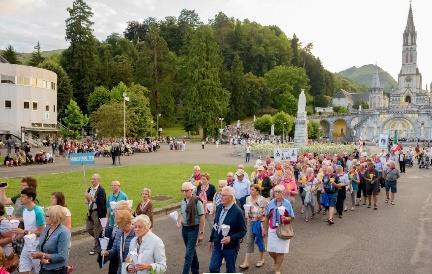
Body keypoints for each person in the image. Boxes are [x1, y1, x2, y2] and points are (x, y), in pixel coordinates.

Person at [209, 186, 247, 273]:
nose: (221, 197)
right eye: (221, 195)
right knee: (213, 268)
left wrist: (230, 238)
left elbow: (243, 231)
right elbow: (215, 225)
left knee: (230, 270)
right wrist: (211, 239)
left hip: (231, 247)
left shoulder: (238, 212)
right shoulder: (219, 207)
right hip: (218, 244)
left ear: (230, 197)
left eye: (224, 195)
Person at [13, 188, 45, 274]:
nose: (20, 199)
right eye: (21, 196)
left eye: (23, 197)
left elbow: (41, 232)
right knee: (23, 270)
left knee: (39, 271)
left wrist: (23, 232)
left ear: (30, 198)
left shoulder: (38, 211)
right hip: (26, 245)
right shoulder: (25, 210)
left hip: (36, 246)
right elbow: (27, 229)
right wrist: (15, 237)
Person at [264, 184, 295, 274]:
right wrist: (265, 229)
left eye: (279, 192)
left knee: (281, 251)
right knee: (271, 250)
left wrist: (286, 218)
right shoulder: (271, 203)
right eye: (275, 192)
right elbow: (266, 217)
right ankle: (277, 262)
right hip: (272, 229)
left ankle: (277, 269)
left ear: (283, 193)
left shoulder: (287, 203)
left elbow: (292, 217)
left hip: (284, 230)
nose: (277, 193)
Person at [31, 205, 70, 274]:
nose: (44, 217)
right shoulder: (47, 228)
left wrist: (42, 255)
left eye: (46, 216)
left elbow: (62, 256)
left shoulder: (63, 232)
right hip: (44, 268)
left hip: (56, 270)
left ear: (54, 217)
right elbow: (40, 245)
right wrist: (41, 258)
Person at [177, 182, 205, 274]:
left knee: (188, 255)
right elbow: (182, 214)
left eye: (186, 191)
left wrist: (201, 233)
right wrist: (179, 221)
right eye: (183, 191)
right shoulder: (183, 202)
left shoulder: (197, 201)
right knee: (191, 251)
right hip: (184, 229)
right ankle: (195, 271)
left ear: (191, 190)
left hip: (193, 229)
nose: (184, 193)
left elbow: (202, 217)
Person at [240, 184, 267, 270]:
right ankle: (246, 262)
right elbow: (246, 209)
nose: (251, 191)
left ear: (257, 191)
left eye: (252, 190)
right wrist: (246, 212)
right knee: (249, 241)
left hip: (259, 222)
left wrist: (259, 214)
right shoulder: (248, 198)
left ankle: (262, 259)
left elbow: (264, 211)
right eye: (250, 189)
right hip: (250, 221)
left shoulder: (262, 199)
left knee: (259, 240)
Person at [101, 210, 135, 274]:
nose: (121, 228)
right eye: (119, 226)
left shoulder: (136, 233)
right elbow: (114, 249)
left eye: (123, 226)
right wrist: (107, 253)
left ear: (129, 222)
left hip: (133, 270)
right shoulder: (119, 232)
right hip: (121, 269)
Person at [85, 174, 107, 255]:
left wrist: (91, 198)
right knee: (89, 228)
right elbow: (87, 200)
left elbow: (101, 202)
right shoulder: (90, 189)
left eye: (94, 179)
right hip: (90, 211)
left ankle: (96, 248)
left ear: (98, 180)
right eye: (91, 179)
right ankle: (101, 240)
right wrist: (87, 199)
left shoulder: (101, 190)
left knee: (97, 231)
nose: (92, 180)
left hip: (97, 212)